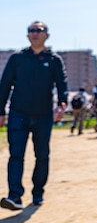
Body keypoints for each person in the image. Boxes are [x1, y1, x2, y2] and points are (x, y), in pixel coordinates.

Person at [0, 21, 68, 210]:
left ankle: (38, 192)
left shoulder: (54, 60)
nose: (35, 33)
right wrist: (0, 112)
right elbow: (4, 85)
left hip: (43, 115)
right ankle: (15, 196)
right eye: (31, 30)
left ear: (47, 35)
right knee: (16, 155)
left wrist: (62, 105)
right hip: (18, 114)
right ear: (27, 35)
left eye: (39, 30)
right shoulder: (17, 59)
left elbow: (62, 85)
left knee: (42, 155)